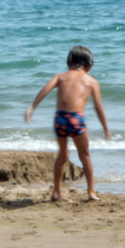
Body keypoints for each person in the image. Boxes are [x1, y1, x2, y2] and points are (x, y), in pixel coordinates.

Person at [25, 45, 111, 201]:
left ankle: (56, 191)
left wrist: (32, 107)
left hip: (60, 118)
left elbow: (45, 90)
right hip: (76, 119)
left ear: (68, 63)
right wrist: (105, 128)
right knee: (85, 155)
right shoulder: (91, 81)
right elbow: (98, 107)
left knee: (62, 155)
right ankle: (91, 191)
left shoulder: (60, 77)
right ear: (89, 66)